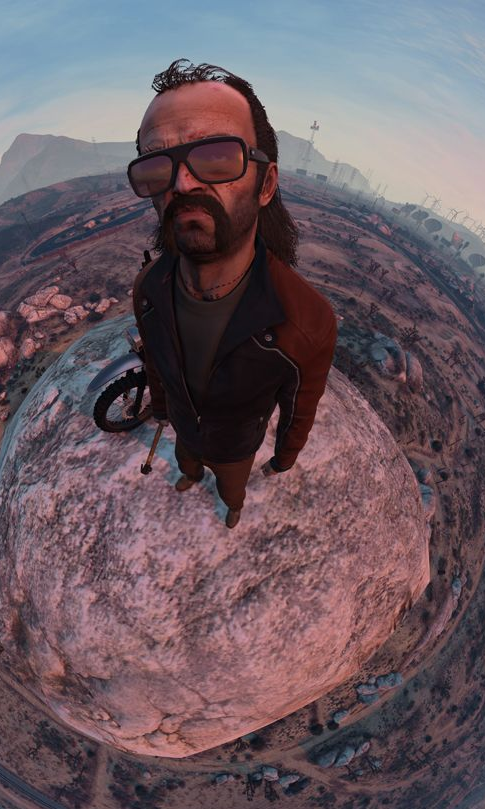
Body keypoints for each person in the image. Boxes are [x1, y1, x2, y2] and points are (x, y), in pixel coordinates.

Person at [129, 59, 338, 529]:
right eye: (157, 166)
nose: (182, 183)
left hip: (235, 449)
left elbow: (300, 405)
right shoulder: (149, 288)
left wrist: (284, 457)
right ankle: (189, 475)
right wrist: (162, 409)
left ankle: (232, 507)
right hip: (185, 430)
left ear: (266, 184)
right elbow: (156, 362)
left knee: (231, 487)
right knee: (187, 462)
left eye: (217, 157)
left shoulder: (305, 319)